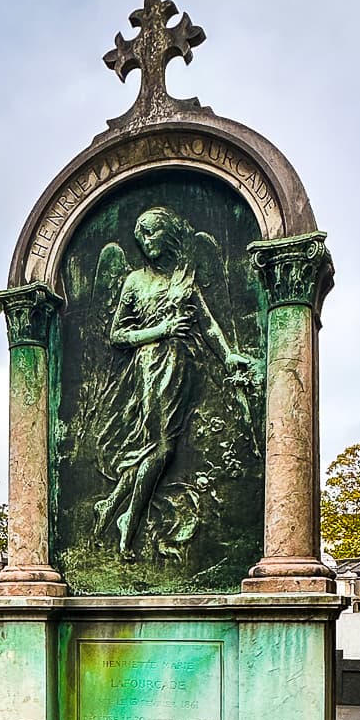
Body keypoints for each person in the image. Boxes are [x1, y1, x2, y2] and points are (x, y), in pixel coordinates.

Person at [92, 206, 249, 558]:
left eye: (152, 232)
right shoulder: (135, 281)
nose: (146, 242)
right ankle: (128, 520)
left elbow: (207, 323)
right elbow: (117, 334)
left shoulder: (183, 278)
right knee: (160, 448)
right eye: (140, 236)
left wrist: (227, 356)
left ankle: (112, 506)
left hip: (183, 369)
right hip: (151, 367)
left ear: (169, 233)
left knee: (160, 448)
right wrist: (161, 330)